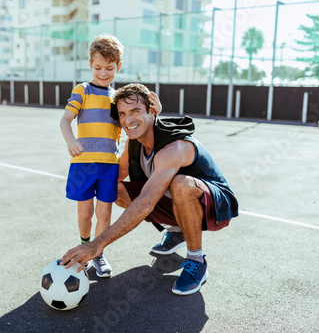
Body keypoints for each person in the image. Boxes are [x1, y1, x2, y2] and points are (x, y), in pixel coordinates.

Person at [61, 83, 238, 295]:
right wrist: (86, 178)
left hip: (215, 208)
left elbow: (146, 202)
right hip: (175, 204)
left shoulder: (174, 147)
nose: (128, 120)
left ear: (151, 111)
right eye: (122, 114)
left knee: (180, 184)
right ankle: (179, 231)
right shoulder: (134, 143)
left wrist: (97, 244)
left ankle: (196, 260)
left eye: (135, 111)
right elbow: (116, 176)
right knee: (113, 188)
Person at [60, 36, 161, 278]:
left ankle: (98, 252)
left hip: (109, 167)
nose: (103, 73)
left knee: (104, 213)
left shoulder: (118, 99)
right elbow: (65, 120)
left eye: (109, 68)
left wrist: (156, 113)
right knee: (85, 214)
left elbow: (137, 125)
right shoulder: (82, 90)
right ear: (90, 64)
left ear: (119, 66)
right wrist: (71, 141)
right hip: (83, 165)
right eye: (98, 67)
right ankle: (84, 245)